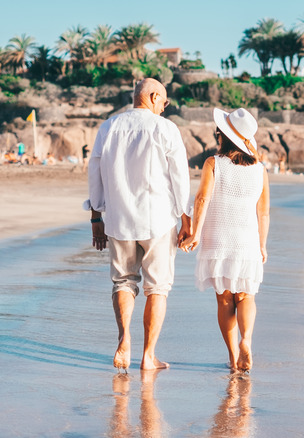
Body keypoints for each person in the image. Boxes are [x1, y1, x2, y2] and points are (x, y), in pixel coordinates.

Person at [86, 78, 191, 371]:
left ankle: (124, 338)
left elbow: (94, 172)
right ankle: (148, 356)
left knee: (123, 281)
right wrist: (186, 219)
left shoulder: (109, 127)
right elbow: (179, 177)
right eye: (164, 101)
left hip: (118, 218)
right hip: (158, 220)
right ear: (154, 97)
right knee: (158, 288)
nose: (164, 107)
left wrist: (96, 216)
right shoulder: (165, 129)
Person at [180, 108, 270, 373]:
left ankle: (233, 358)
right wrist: (262, 245)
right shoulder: (260, 169)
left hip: (218, 239)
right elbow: (264, 212)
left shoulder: (213, 163)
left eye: (218, 132)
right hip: (247, 240)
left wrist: (195, 233)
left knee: (225, 299)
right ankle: (246, 340)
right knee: (246, 296)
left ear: (224, 136)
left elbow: (202, 199)